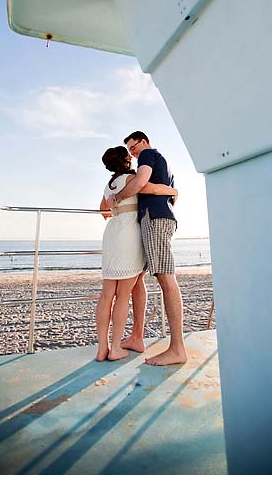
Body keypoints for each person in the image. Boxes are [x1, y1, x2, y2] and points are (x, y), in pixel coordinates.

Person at [109, 131, 187, 366]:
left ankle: (177, 349)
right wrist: (171, 191)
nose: (132, 153)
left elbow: (144, 184)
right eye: (130, 151)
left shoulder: (148, 154)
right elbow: (155, 187)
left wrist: (119, 197)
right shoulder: (158, 159)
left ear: (143, 141)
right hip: (151, 219)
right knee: (138, 278)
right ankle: (137, 337)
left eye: (134, 147)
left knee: (166, 279)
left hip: (155, 220)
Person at [96, 146, 177, 361]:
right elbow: (151, 189)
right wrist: (174, 191)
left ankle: (102, 348)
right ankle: (115, 348)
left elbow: (103, 211)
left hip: (112, 233)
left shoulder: (109, 184)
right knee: (123, 295)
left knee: (106, 296)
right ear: (126, 161)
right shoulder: (133, 178)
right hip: (129, 234)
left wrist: (116, 206)